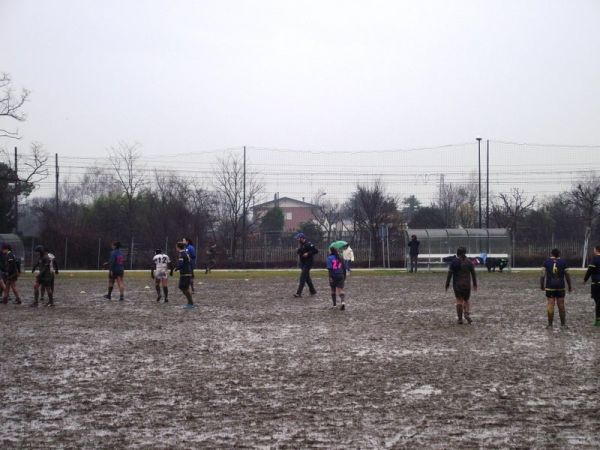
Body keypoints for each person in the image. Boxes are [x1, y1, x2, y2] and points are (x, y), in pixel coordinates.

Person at [540, 248, 572, 328]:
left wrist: (542, 285)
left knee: (550, 304)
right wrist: (569, 286)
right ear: (559, 254)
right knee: (561, 305)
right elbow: (567, 275)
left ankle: (550, 325)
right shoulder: (564, 262)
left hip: (550, 286)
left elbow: (542, 275)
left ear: (551, 254)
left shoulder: (546, 262)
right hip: (560, 286)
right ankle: (563, 324)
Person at [445, 246, 477, 324]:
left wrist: (447, 284)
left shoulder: (454, 262)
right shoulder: (469, 262)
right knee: (466, 300)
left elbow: (450, 274)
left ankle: (460, 318)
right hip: (467, 285)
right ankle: (466, 313)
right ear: (465, 253)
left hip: (457, 285)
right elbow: (473, 274)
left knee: (459, 300)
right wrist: (475, 284)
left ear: (457, 253)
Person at [293, 232, 318, 298]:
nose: (297, 240)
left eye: (298, 238)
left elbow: (316, 251)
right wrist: (298, 251)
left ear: (302, 238)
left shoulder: (309, 244)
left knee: (302, 277)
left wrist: (308, 253)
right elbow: (300, 251)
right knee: (307, 278)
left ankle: (298, 293)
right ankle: (313, 291)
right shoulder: (301, 245)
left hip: (308, 263)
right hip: (303, 263)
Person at [176, 241, 196, 309]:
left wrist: (176, 268)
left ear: (178, 247)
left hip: (185, 273)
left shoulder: (181, 254)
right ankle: (190, 303)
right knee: (184, 287)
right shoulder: (186, 253)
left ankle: (190, 303)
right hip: (188, 272)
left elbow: (181, 264)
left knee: (183, 287)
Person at [583, 245, 600, 327]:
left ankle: (598, 321)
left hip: (597, 284)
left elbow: (590, 271)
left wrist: (585, 280)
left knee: (598, 302)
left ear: (596, 250)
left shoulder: (595, 259)